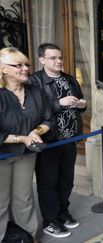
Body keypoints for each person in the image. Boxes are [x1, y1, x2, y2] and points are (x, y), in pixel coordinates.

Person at [28, 43, 87, 238]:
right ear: (42, 60)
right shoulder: (34, 81)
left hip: (70, 140)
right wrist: (58, 103)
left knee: (66, 181)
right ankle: (50, 221)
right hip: (49, 141)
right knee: (48, 183)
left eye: (60, 57)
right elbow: (32, 111)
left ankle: (62, 213)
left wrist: (81, 105)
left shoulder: (69, 79)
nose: (59, 61)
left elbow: (80, 101)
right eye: (53, 58)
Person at [0, 47, 54, 241]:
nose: (25, 69)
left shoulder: (35, 91)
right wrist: (21, 138)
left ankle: (29, 238)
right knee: (1, 204)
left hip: (26, 154)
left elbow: (49, 120)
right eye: (18, 65)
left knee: (24, 199)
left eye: (26, 65)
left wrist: (35, 131)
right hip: (2, 157)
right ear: (3, 69)